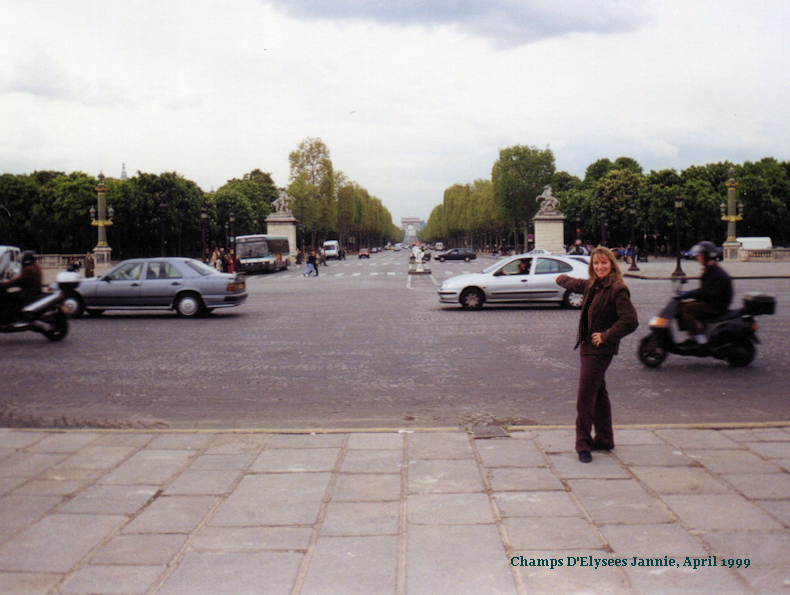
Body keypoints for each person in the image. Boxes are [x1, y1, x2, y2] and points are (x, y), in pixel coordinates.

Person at [556, 247, 639, 463]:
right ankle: (604, 438)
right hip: (587, 346)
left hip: (599, 350)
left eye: (604, 263)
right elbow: (572, 282)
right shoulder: (593, 285)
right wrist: (558, 276)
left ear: (612, 264)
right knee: (599, 393)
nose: (600, 267)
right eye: (595, 264)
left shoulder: (617, 289)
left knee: (585, 396)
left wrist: (606, 336)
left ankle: (583, 443)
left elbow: (630, 321)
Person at [678, 241, 732, 345]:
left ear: (707, 255)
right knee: (679, 306)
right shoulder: (711, 269)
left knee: (686, 310)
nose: (698, 256)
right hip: (712, 301)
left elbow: (705, 292)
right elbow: (705, 291)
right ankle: (693, 332)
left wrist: (688, 294)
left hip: (716, 306)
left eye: (700, 254)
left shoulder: (715, 272)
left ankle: (699, 338)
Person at [1, 250, 43, 322]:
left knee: (9, 297)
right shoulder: (34, 266)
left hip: (29, 293)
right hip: (32, 291)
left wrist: (5, 284)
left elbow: (19, 279)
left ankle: (11, 318)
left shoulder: (29, 268)